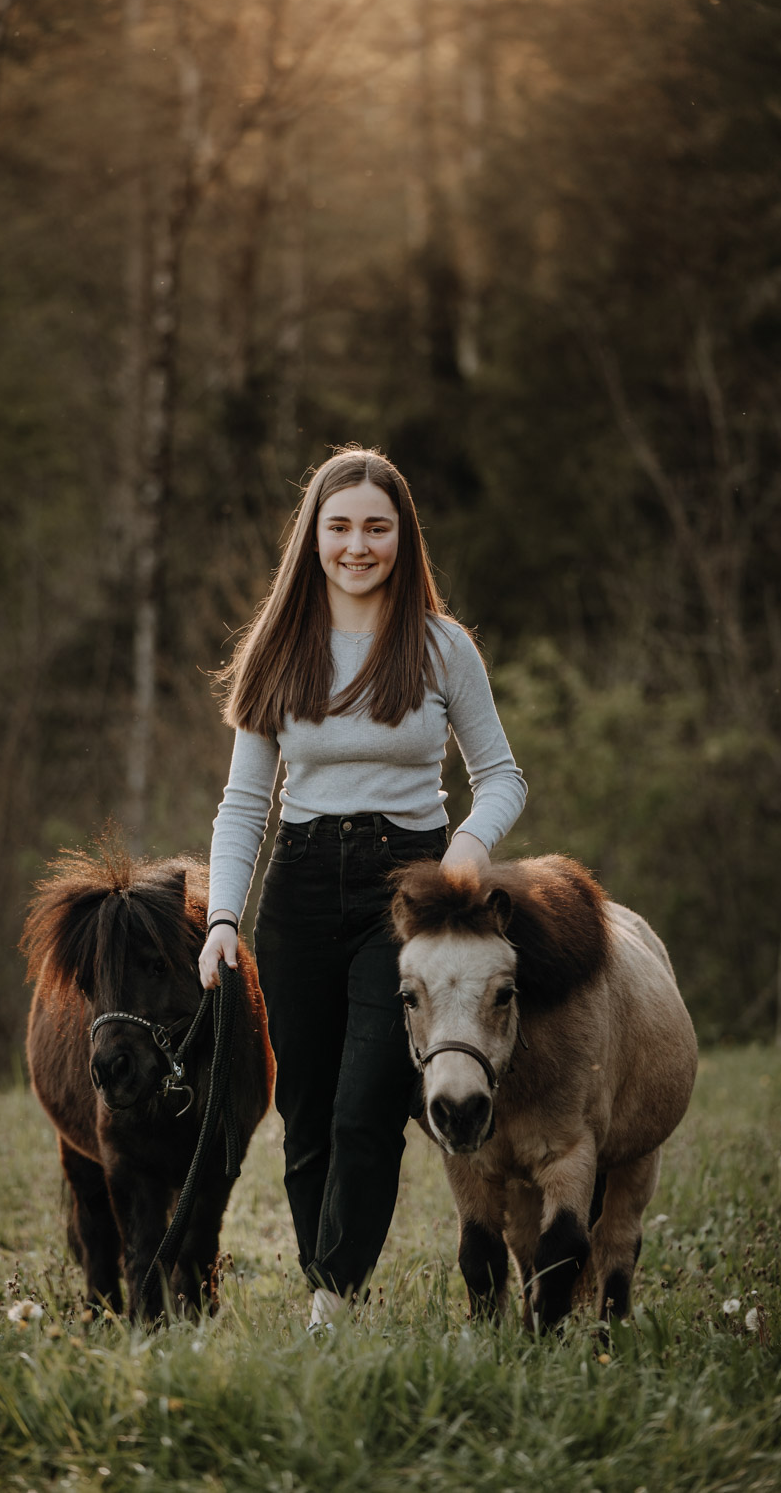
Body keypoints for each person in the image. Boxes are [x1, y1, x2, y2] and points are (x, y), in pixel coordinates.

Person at [197, 445, 526, 1329]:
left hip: (407, 894)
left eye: (376, 528)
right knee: (305, 1113)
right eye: (339, 527)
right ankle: (328, 1289)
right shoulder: (278, 647)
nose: (356, 545)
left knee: (365, 1106)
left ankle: (331, 1302)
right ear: (312, 538)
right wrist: (223, 916)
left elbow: (502, 776)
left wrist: (466, 845)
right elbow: (243, 804)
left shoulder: (442, 647)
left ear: (402, 537)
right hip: (299, 889)